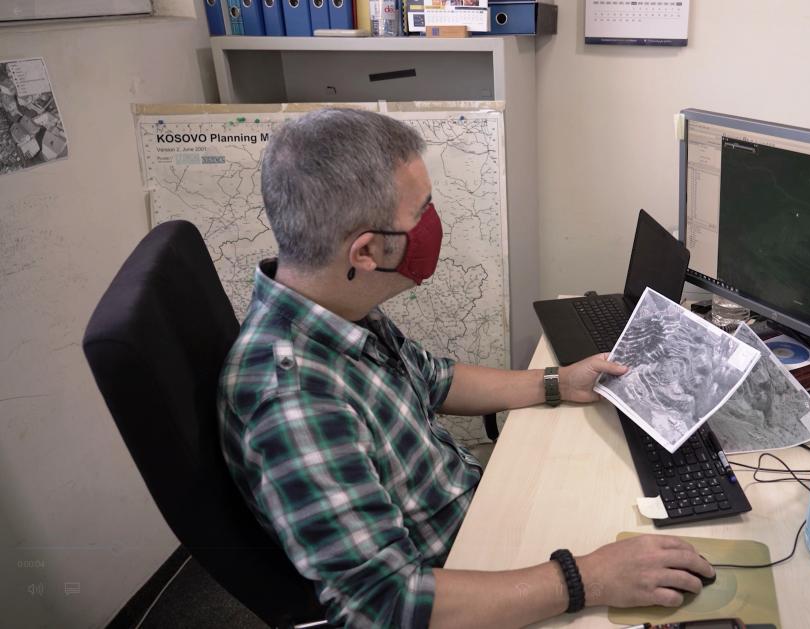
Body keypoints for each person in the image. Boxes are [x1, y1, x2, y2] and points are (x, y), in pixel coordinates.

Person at [217, 108, 714, 628]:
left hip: (480, 517)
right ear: (365, 251)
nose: (435, 224)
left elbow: (435, 378)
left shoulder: (334, 306)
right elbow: (387, 605)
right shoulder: (294, 400)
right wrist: (588, 579)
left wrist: (560, 381)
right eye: (422, 212)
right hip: (459, 585)